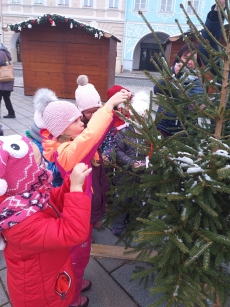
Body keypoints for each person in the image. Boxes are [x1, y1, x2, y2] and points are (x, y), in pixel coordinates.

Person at [34, 86, 130, 307]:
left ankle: (75, 281)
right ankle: (72, 297)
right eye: (77, 121)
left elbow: (96, 136)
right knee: (75, 259)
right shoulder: (67, 152)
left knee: (81, 255)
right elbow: (90, 136)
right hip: (79, 213)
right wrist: (107, 106)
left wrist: (115, 112)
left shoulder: (71, 144)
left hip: (85, 210)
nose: (82, 124)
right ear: (64, 130)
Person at [0, 134, 92, 307]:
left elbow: (52, 202)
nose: (45, 167)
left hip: (50, 271)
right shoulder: (19, 223)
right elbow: (73, 232)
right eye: (39, 164)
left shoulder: (25, 198)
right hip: (42, 295)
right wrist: (76, 190)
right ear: (22, 176)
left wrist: (68, 185)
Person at [112, 91, 150, 236]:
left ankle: (134, 223)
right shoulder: (124, 132)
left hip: (141, 175)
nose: (140, 120)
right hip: (124, 174)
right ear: (132, 117)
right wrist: (130, 162)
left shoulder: (148, 133)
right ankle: (118, 225)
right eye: (137, 117)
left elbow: (152, 152)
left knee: (137, 199)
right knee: (121, 200)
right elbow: (118, 151)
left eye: (143, 117)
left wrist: (146, 163)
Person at [154, 43, 204, 137]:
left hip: (185, 131)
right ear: (179, 58)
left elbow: (192, 103)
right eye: (186, 57)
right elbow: (156, 90)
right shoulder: (170, 72)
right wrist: (172, 75)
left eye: (193, 59)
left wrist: (178, 82)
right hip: (163, 125)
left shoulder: (198, 80)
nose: (189, 61)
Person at [0, 43, 15, 118]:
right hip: (7, 79)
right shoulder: (5, 52)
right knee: (6, 98)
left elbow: (1, 63)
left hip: (2, 80)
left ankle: (11, 113)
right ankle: (11, 113)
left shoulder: (1, 52)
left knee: (4, 97)